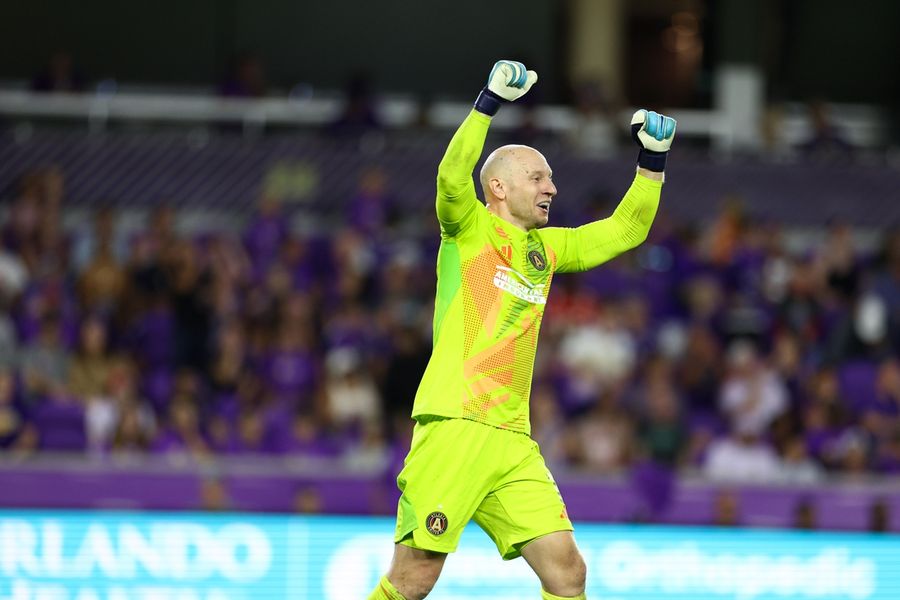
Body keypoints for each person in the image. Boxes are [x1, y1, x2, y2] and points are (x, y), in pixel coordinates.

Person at [368, 60, 676, 600]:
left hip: (513, 438)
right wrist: (488, 101)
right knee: (415, 578)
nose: (552, 187)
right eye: (538, 177)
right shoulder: (467, 228)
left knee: (567, 574)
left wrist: (652, 163)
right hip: (455, 422)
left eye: (551, 178)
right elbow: (448, 177)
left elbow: (626, 229)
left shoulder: (548, 249)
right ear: (498, 187)